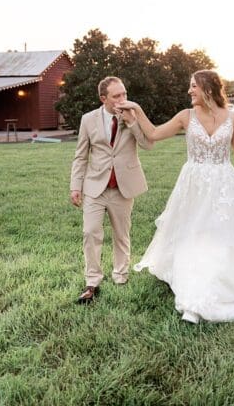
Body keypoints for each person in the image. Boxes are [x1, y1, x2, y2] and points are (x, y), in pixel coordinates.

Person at [117, 70, 234, 323]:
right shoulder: (186, 116)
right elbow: (153, 134)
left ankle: (220, 280)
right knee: (195, 232)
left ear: (208, 88)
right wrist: (136, 109)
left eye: (193, 86)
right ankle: (195, 286)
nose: (189, 91)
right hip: (193, 184)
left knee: (221, 232)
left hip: (224, 185)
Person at [70, 76, 154, 303]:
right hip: (95, 187)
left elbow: (149, 144)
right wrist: (75, 186)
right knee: (90, 232)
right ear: (103, 98)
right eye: (117, 96)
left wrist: (132, 122)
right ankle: (92, 281)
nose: (123, 99)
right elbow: (81, 155)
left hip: (123, 187)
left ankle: (120, 275)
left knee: (121, 234)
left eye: (124, 94)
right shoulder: (88, 120)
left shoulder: (133, 116)